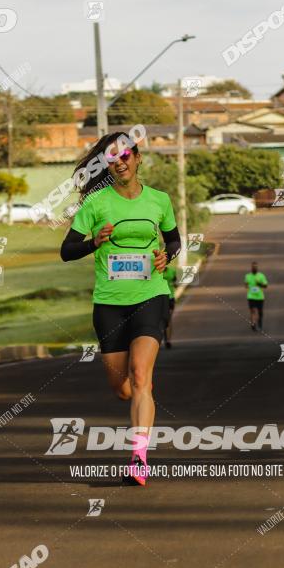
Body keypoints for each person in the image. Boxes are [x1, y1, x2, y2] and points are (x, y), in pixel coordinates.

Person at [60, 132, 181, 486]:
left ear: (138, 158)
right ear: (107, 166)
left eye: (126, 155)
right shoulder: (96, 205)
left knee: (142, 376)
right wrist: (93, 242)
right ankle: (142, 404)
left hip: (151, 295)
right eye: (112, 158)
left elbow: (173, 239)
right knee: (123, 388)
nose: (120, 162)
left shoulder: (159, 200)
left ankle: (138, 459)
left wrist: (166, 255)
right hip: (109, 304)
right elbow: (66, 251)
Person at [245, 261, 268, 331]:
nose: (254, 268)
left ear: (257, 268)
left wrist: (259, 284)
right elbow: (246, 285)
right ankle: (253, 323)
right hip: (251, 296)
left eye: (255, 267)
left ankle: (259, 323)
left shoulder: (261, 276)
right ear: (251, 268)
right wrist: (249, 287)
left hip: (260, 297)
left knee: (260, 312)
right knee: (253, 310)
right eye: (253, 267)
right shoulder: (248, 276)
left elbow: (265, 285)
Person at [162, 263, 177, 348]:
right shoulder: (157, 272)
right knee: (163, 320)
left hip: (170, 298)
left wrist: (173, 285)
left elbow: (175, 283)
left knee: (168, 319)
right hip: (160, 298)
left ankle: (168, 340)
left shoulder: (172, 271)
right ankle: (164, 338)